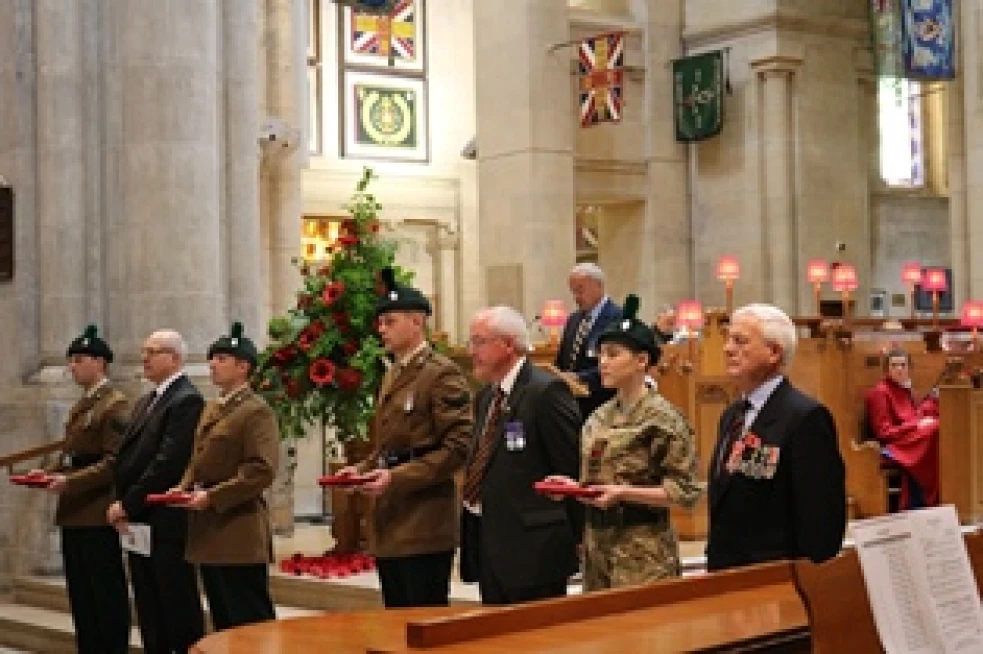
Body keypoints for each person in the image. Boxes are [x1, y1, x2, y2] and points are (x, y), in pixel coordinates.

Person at [543, 295, 702, 591]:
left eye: (613, 354)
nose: (602, 363)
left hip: (643, 552)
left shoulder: (662, 418)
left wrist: (624, 493)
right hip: (597, 550)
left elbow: (685, 491)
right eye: (600, 354)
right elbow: (596, 480)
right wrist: (571, 487)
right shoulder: (598, 417)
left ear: (642, 360)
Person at [338, 268, 472, 608]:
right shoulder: (393, 373)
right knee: (394, 623)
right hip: (392, 518)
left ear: (417, 321)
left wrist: (396, 477)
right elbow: (389, 447)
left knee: (422, 623)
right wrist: (362, 469)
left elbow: (458, 446)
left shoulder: (440, 373)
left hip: (424, 521)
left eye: (390, 321)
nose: (381, 329)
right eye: (380, 323)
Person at [706, 304, 846, 572]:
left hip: (776, 578)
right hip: (727, 575)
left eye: (740, 341)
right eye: (728, 339)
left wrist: (804, 583)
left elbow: (821, 520)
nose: (727, 349)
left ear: (774, 352)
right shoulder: (732, 415)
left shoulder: (805, 417)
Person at [460, 305, 582, 605]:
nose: (472, 351)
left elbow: (569, 468)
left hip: (535, 549)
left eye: (479, 341)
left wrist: (577, 536)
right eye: (471, 342)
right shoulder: (487, 396)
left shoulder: (546, 392)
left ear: (508, 344)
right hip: (491, 541)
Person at [172, 322, 279, 630]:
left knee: (249, 620)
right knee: (223, 622)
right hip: (209, 529)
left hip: (238, 530)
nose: (212, 365)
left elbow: (261, 470)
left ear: (243, 367)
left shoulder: (255, 411)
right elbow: (199, 458)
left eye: (221, 359)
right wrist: (183, 488)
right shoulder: (213, 409)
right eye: (212, 358)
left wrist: (213, 497)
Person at [34, 325, 131, 654]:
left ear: (100, 363)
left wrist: (70, 481)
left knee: (104, 593)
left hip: (95, 510)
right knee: (82, 595)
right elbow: (73, 455)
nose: (72, 366)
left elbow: (113, 461)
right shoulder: (84, 405)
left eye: (79, 359)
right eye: (71, 360)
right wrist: (47, 472)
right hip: (74, 511)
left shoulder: (114, 404)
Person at [107, 329, 205, 654]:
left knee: (175, 605)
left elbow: (168, 463)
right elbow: (127, 458)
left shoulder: (186, 399)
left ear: (175, 358)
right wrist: (122, 504)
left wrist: (129, 504)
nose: (144, 357)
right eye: (144, 350)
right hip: (139, 518)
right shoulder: (147, 400)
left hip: (165, 520)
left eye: (153, 351)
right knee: (149, 607)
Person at [863, 349, 939, 509]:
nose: (899, 369)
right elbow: (884, 432)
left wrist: (923, 416)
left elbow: (913, 415)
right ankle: (926, 495)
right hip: (894, 444)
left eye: (903, 365)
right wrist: (917, 425)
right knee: (932, 430)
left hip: (909, 436)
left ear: (909, 368)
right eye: (894, 365)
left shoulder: (904, 388)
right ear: (887, 369)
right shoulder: (880, 392)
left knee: (937, 426)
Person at [554, 263, 622, 420]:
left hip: (601, 403)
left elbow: (619, 363)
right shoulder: (573, 320)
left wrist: (580, 378)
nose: (576, 297)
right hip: (571, 404)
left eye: (580, 290)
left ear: (598, 286)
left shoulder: (618, 318)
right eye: (573, 292)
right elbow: (563, 360)